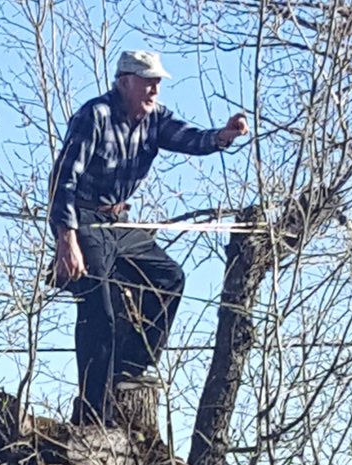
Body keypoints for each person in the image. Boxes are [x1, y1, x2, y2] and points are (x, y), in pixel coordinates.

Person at [49, 50, 248, 424]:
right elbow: (64, 179)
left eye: (158, 82)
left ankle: (130, 365)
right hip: (86, 217)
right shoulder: (95, 116)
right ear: (125, 82)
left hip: (120, 221)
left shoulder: (155, 120)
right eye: (148, 81)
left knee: (169, 279)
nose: (155, 89)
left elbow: (191, 139)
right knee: (99, 311)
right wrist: (67, 239)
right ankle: (94, 412)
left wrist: (225, 135)